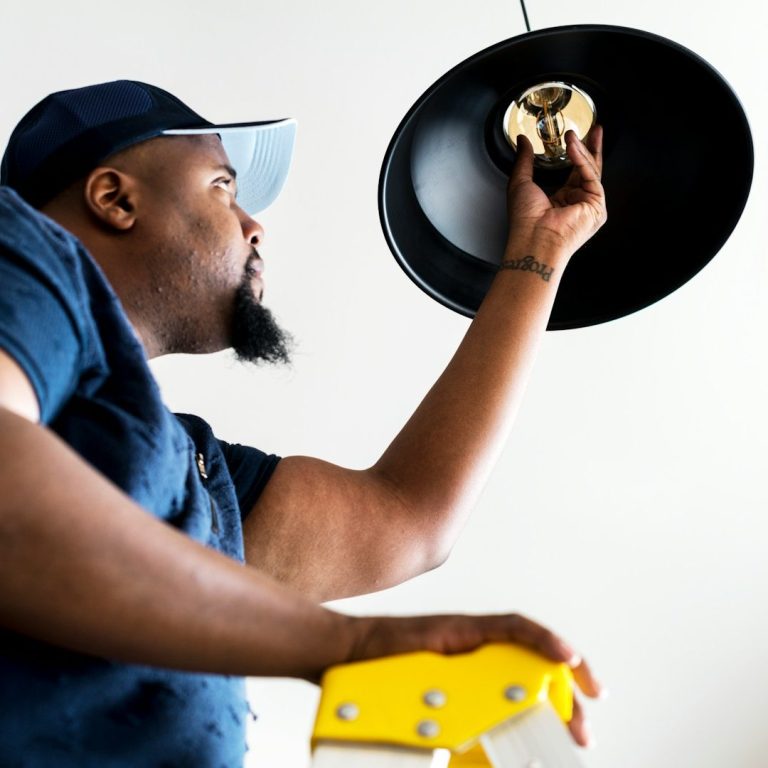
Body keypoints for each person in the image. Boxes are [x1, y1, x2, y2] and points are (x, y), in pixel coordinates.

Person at [0, 81, 607, 767]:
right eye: (223, 187)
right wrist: (348, 645)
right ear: (115, 198)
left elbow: (407, 520)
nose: (254, 226)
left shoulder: (182, 468)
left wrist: (539, 252)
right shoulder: (18, 248)